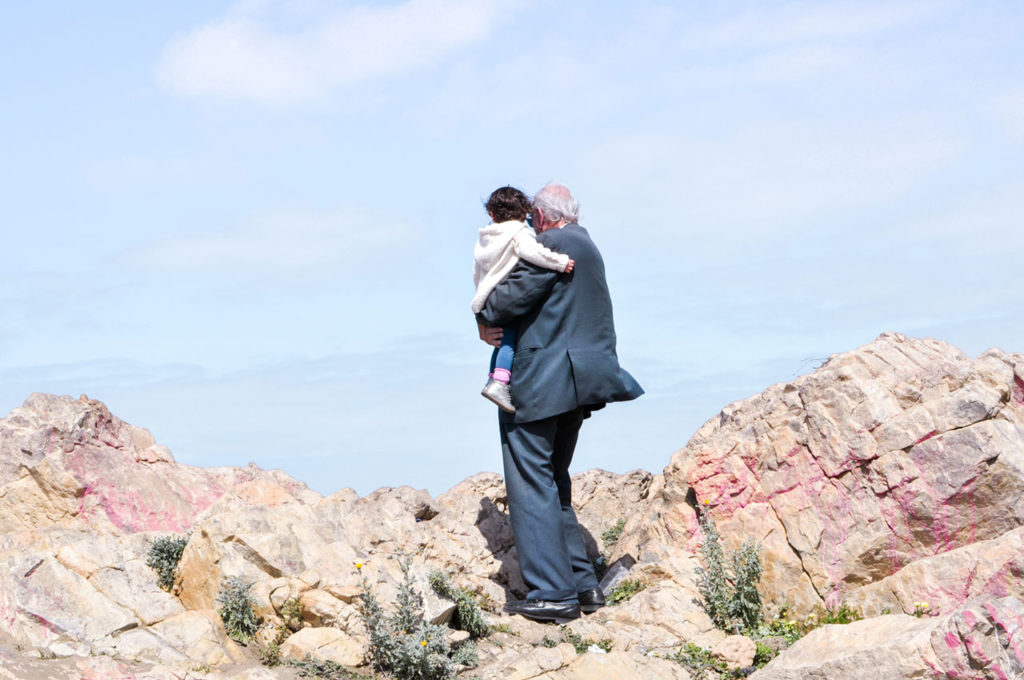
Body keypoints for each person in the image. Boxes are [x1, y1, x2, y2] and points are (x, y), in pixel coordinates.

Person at [476, 182, 643, 623]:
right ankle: (582, 584)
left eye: (532, 219)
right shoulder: (588, 246)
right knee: (554, 479)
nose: (530, 225)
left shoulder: (551, 244)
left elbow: (503, 303)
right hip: (579, 384)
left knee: (530, 481)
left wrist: (481, 313)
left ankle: (551, 593)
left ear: (543, 216)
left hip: (541, 384)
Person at [472, 186, 575, 413]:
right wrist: (559, 262)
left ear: (492, 214)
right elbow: (533, 253)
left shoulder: (485, 238)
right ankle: (500, 382)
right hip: (508, 295)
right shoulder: (519, 232)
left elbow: (477, 273)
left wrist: (480, 305)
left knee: (498, 343)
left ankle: (493, 379)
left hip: (488, 296)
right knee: (509, 340)